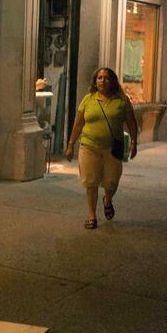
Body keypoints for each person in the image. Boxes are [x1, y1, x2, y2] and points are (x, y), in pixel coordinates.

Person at [65, 67, 139, 229]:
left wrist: (134, 142)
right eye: (99, 78)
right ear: (95, 81)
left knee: (111, 182)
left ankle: (108, 199)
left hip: (112, 148)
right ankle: (92, 216)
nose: (102, 81)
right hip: (89, 146)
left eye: (106, 78)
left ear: (112, 81)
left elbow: (132, 122)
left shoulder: (122, 100)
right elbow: (78, 123)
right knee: (91, 182)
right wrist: (70, 144)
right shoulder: (88, 99)